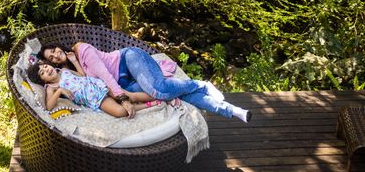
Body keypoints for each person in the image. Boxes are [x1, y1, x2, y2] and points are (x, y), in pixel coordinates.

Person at [38, 42, 251, 123]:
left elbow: (104, 75)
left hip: (128, 60)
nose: (56, 56)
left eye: (55, 51)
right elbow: (88, 80)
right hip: (125, 81)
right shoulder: (70, 72)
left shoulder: (81, 48)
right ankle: (231, 110)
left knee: (158, 89)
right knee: (172, 94)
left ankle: (200, 83)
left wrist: (123, 99)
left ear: (59, 46)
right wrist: (73, 65)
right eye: (51, 58)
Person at [27, 60, 168, 118]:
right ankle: (148, 105)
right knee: (119, 112)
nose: (47, 70)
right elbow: (48, 106)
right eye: (42, 73)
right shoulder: (51, 87)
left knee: (129, 96)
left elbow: (82, 75)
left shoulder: (63, 70)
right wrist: (59, 91)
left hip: (98, 85)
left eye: (45, 66)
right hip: (93, 99)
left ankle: (163, 95)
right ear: (42, 80)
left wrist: (75, 61)